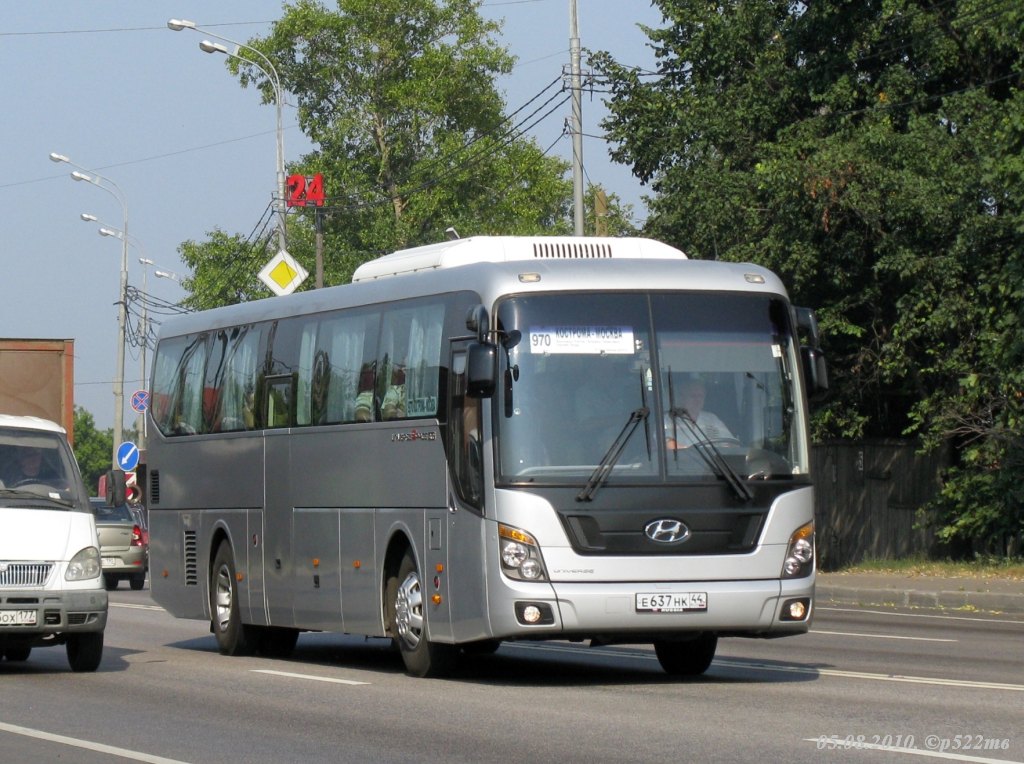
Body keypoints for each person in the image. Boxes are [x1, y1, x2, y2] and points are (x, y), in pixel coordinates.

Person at [665, 376, 736, 448]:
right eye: (693, 396)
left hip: (714, 459)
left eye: (700, 396)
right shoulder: (669, 419)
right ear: (682, 397)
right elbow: (667, 443)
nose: (698, 400)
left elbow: (730, 442)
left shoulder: (712, 419)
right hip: (683, 458)